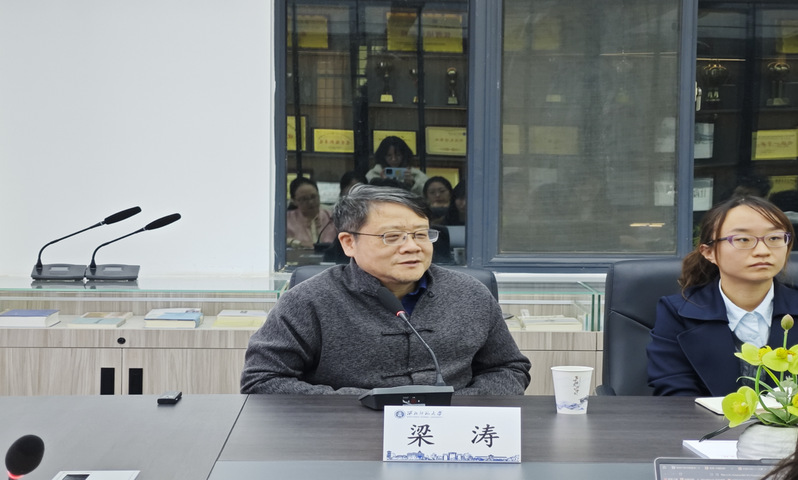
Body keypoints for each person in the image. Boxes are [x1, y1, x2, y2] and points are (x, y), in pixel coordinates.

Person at [242, 184, 531, 395]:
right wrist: (363, 403)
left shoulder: (470, 294)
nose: (412, 247)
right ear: (349, 243)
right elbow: (262, 379)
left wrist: (457, 407)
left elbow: (508, 368)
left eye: (421, 234)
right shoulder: (308, 300)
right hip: (344, 434)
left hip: (451, 433)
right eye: (392, 236)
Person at [647, 196, 798, 396]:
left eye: (774, 238)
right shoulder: (677, 313)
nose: (763, 251)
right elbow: (674, 392)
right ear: (709, 252)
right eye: (743, 239)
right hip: (699, 418)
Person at [286, 177, 337, 249]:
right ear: (294, 201)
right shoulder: (286, 220)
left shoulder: (332, 217)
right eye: (304, 199)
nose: (310, 202)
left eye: (313, 197)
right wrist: (299, 243)